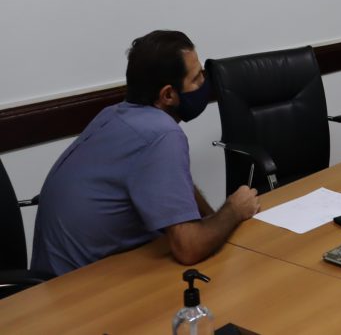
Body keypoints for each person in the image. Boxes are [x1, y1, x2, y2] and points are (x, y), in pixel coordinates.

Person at [31, 31, 260, 276]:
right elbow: (188, 249)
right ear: (168, 95)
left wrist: (211, 221)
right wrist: (233, 210)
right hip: (82, 289)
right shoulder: (162, 134)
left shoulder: (115, 115)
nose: (204, 82)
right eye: (196, 78)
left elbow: (176, 187)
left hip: (52, 281)